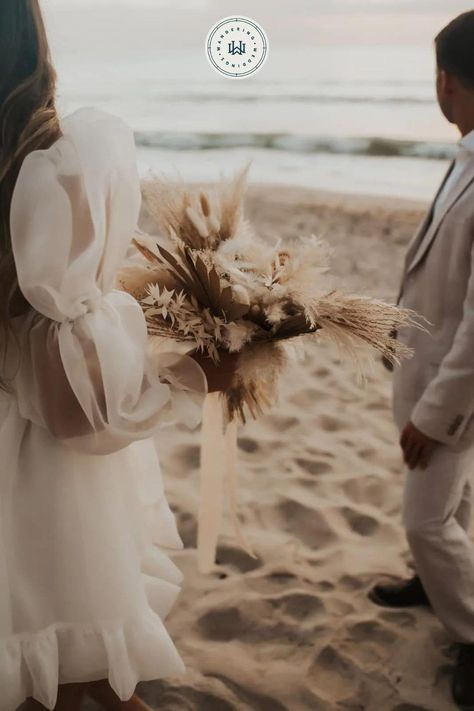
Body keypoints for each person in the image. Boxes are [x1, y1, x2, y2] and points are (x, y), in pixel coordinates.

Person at [0, 2, 237, 710]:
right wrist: (187, 375)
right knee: (85, 675)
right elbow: (74, 408)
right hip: (40, 478)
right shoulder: (55, 168)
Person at [368, 10, 474, 709]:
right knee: (453, 501)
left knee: (426, 519)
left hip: (455, 387)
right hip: (429, 362)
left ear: (447, 82)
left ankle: (470, 628)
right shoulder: (468, 148)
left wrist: (437, 415)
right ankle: (432, 583)